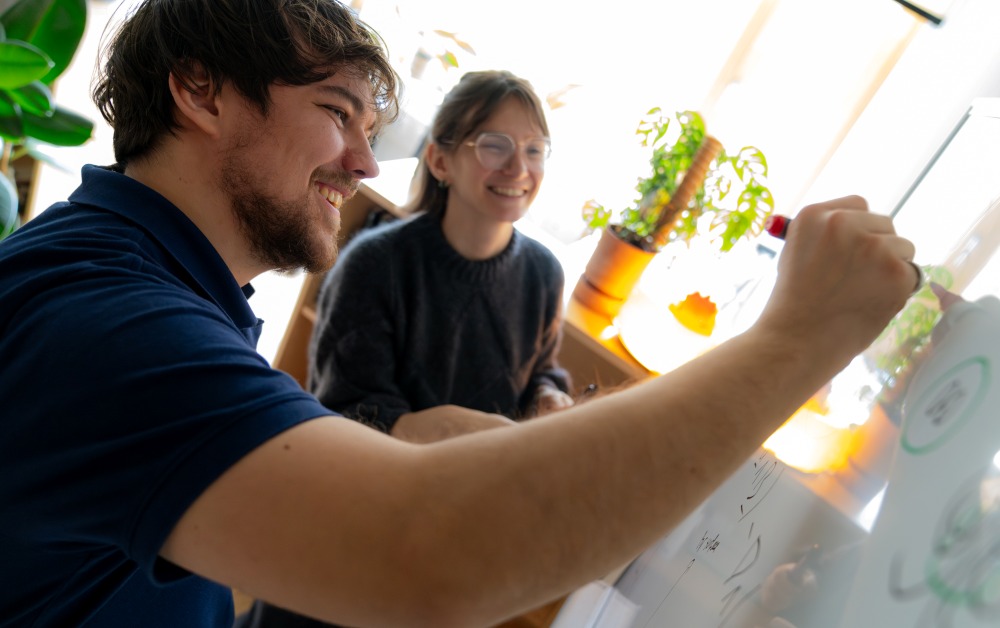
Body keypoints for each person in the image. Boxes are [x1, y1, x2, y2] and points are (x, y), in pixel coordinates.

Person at [0, 0, 920, 626]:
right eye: (336, 112)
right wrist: (801, 336)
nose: (366, 163)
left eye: (370, 127)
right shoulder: (114, 324)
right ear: (199, 92)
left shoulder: (171, 291)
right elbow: (426, 548)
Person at [307, 70, 575, 446]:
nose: (518, 169)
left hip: (490, 479)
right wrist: (442, 432)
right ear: (440, 161)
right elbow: (344, 406)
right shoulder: (375, 266)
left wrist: (547, 395)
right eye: (495, 145)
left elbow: (540, 371)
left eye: (534, 150)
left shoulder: (545, 273)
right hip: (384, 477)